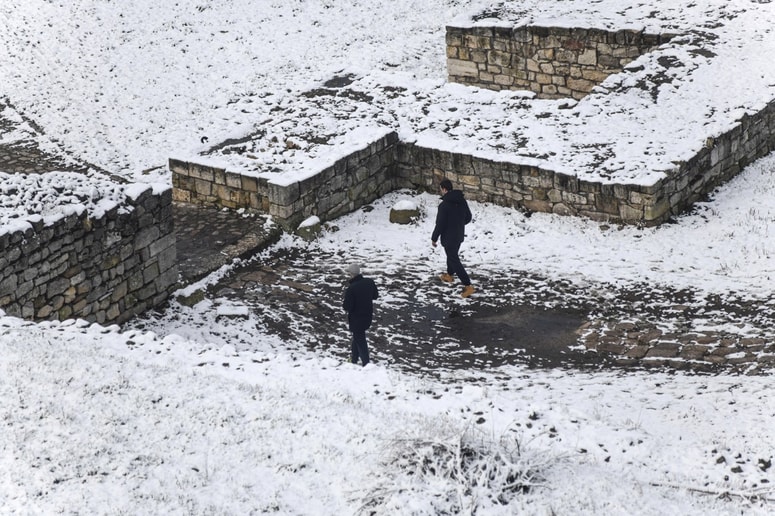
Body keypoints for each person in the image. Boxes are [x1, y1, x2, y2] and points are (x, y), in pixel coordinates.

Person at [431, 178, 475, 298]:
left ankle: (468, 285)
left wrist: (434, 238)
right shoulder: (462, 201)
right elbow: (468, 217)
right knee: (452, 255)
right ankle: (449, 275)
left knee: (454, 259)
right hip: (459, 234)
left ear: (444, 189)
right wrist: (459, 224)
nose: (440, 191)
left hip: (449, 237)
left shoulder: (444, 205)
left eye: (441, 189)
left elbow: (440, 224)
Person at [342, 263, 379, 366]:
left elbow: (347, 307)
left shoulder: (352, 288)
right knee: (357, 336)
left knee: (360, 339)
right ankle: (354, 359)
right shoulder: (369, 282)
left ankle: (366, 364)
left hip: (356, 319)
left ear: (351, 274)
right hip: (368, 316)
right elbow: (375, 296)